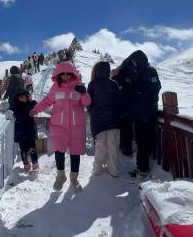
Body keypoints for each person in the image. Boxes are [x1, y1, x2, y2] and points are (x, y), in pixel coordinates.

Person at [30, 61, 91, 191]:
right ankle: (60, 176)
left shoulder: (78, 86)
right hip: (59, 125)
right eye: (62, 74)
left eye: (68, 74)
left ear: (72, 74)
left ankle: (74, 178)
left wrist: (84, 93)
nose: (66, 77)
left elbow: (87, 102)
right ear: (58, 75)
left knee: (75, 152)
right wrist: (36, 109)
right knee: (59, 150)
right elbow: (47, 101)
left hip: (76, 125)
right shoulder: (55, 88)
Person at [126, 50, 161, 180]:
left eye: (134, 61)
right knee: (141, 142)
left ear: (140, 60)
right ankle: (141, 166)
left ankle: (143, 169)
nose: (133, 64)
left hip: (147, 113)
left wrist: (139, 94)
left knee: (144, 142)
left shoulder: (150, 71)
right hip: (139, 114)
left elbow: (155, 87)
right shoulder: (138, 72)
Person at [87, 61, 121, 177]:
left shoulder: (92, 84)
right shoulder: (113, 84)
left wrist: (92, 112)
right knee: (113, 146)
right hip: (113, 120)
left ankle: (97, 170)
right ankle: (114, 171)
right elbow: (118, 102)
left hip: (98, 121)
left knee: (100, 146)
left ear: (96, 71)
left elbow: (89, 103)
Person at [11, 89, 39, 173]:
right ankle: (26, 165)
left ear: (27, 96)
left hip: (30, 129)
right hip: (20, 130)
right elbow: (10, 111)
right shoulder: (15, 107)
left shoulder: (32, 104)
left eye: (23, 96)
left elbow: (37, 106)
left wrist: (31, 100)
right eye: (20, 97)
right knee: (23, 149)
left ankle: (35, 164)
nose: (22, 98)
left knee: (32, 148)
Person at [112, 60, 136, 157]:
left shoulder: (115, 78)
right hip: (127, 108)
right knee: (127, 129)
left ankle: (122, 147)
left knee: (120, 129)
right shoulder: (131, 78)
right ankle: (127, 148)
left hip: (118, 109)